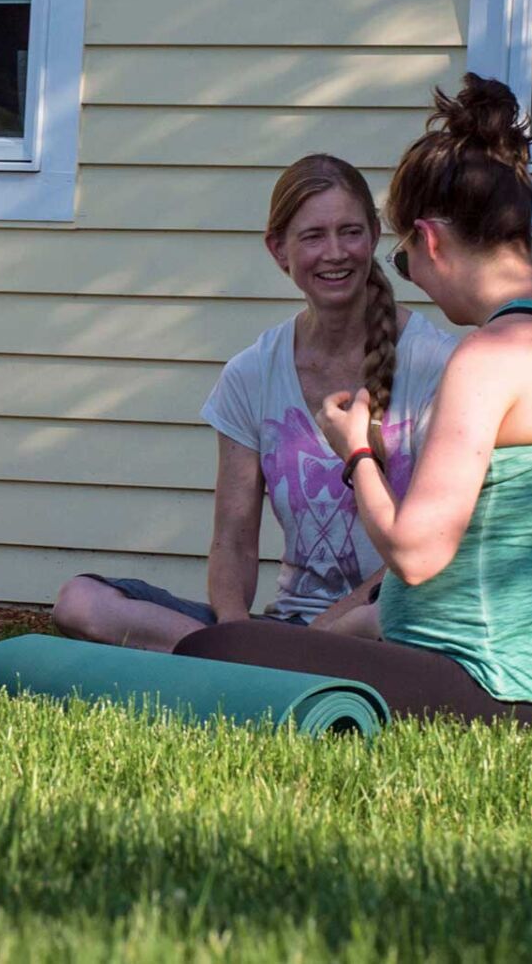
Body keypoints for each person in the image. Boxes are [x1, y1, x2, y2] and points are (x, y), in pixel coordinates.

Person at [174, 76, 532, 737]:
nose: (416, 283)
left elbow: (415, 554)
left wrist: (356, 451)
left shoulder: (489, 357)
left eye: (406, 263)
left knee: (213, 652)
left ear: (431, 240)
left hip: (514, 691)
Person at [50, 155, 457, 651]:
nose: (335, 253)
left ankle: (272, 663)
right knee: (80, 602)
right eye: (312, 236)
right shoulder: (250, 374)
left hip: (381, 617)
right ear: (278, 250)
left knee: (375, 624)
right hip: (282, 631)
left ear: (373, 237)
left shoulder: (436, 364)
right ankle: (258, 663)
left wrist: (320, 634)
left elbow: (426, 552)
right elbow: (233, 543)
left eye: (350, 232)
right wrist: (235, 631)